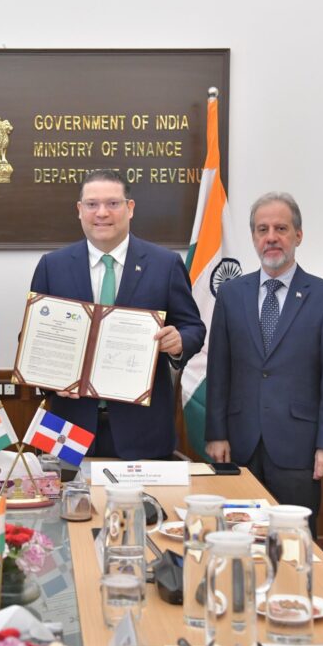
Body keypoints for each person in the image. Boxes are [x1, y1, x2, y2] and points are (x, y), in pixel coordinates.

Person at [29, 169, 205, 459]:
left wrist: (179, 342)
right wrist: (49, 378)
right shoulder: (52, 266)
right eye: (92, 204)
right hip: (66, 425)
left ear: (130, 208)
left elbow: (193, 328)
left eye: (113, 203)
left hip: (144, 428)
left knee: (141, 504)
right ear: (79, 210)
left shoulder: (165, 265)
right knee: (68, 503)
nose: (102, 213)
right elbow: (32, 339)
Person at [204, 192, 323, 533]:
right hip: (239, 444)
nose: (271, 237)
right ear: (254, 237)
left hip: (299, 447)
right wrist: (216, 432)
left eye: (281, 228)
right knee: (237, 540)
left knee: (294, 543)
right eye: (262, 229)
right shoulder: (231, 294)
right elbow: (219, 369)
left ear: (298, 235)